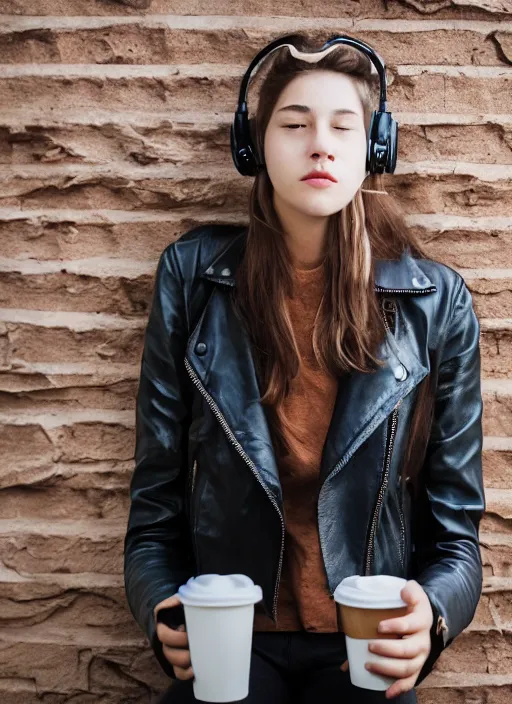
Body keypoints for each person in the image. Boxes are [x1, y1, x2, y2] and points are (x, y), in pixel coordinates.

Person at [123, 32, 484, 703]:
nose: (320, 144)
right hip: (234, 636)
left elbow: (457, 532)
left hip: (363, 642)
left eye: (343, 126)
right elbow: (153, 510)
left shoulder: (439, 305)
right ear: (253, 147)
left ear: (374, 150)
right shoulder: (193, 279)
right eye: (294, 124)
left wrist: (431, 616)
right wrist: (159, 609)